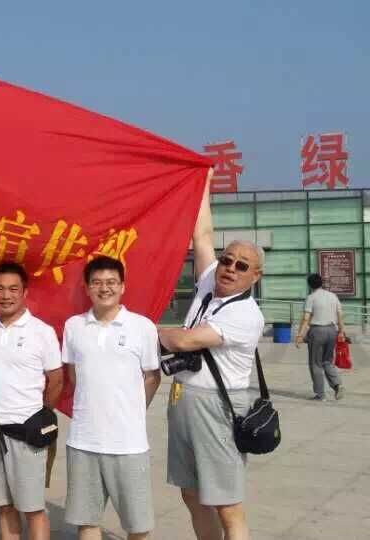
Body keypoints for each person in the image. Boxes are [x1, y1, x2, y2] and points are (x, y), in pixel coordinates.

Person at [158, 181, 265, 540]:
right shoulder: (208, 281)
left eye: (242, 265)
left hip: (218, 407)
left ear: (255, 276)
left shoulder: (245, 314)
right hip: (183, 399)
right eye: (227, 260)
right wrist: (201, 182)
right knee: (191, 494)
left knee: (226, 504)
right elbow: (202, 235)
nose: (230, 268)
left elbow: (185, 340)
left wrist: (147, 330)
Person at [62, 256, 161, 540]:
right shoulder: (74, 326)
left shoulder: (142, 327)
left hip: (128, 443)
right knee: (86, 521)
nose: (104, 288)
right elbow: (73, 374)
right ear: (86, 288)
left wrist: (132, 409)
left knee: (138, 525)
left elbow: (152, 376)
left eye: (111, 282)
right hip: (83, 441)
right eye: (97, 283)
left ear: (122, 286)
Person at [0, 262, 63, 540]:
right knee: (4, 506)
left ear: (25, 292)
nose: (6, 295)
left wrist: (40, 415)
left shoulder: (41, 331)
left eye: (13, 289)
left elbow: (56, 379)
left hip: (27, 432)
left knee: (33, 509)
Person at [295, 273, 346, 401]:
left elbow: (306, 318)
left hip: (317, 331)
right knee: (327, 361)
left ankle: (320, 394)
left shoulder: (311, 298)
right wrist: (341, 332)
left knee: (315, 363)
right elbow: (340, 315)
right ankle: (337, 384)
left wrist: (300, 335)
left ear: (309, 285)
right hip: (332, 330)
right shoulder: (332, 296)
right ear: (321, 283)